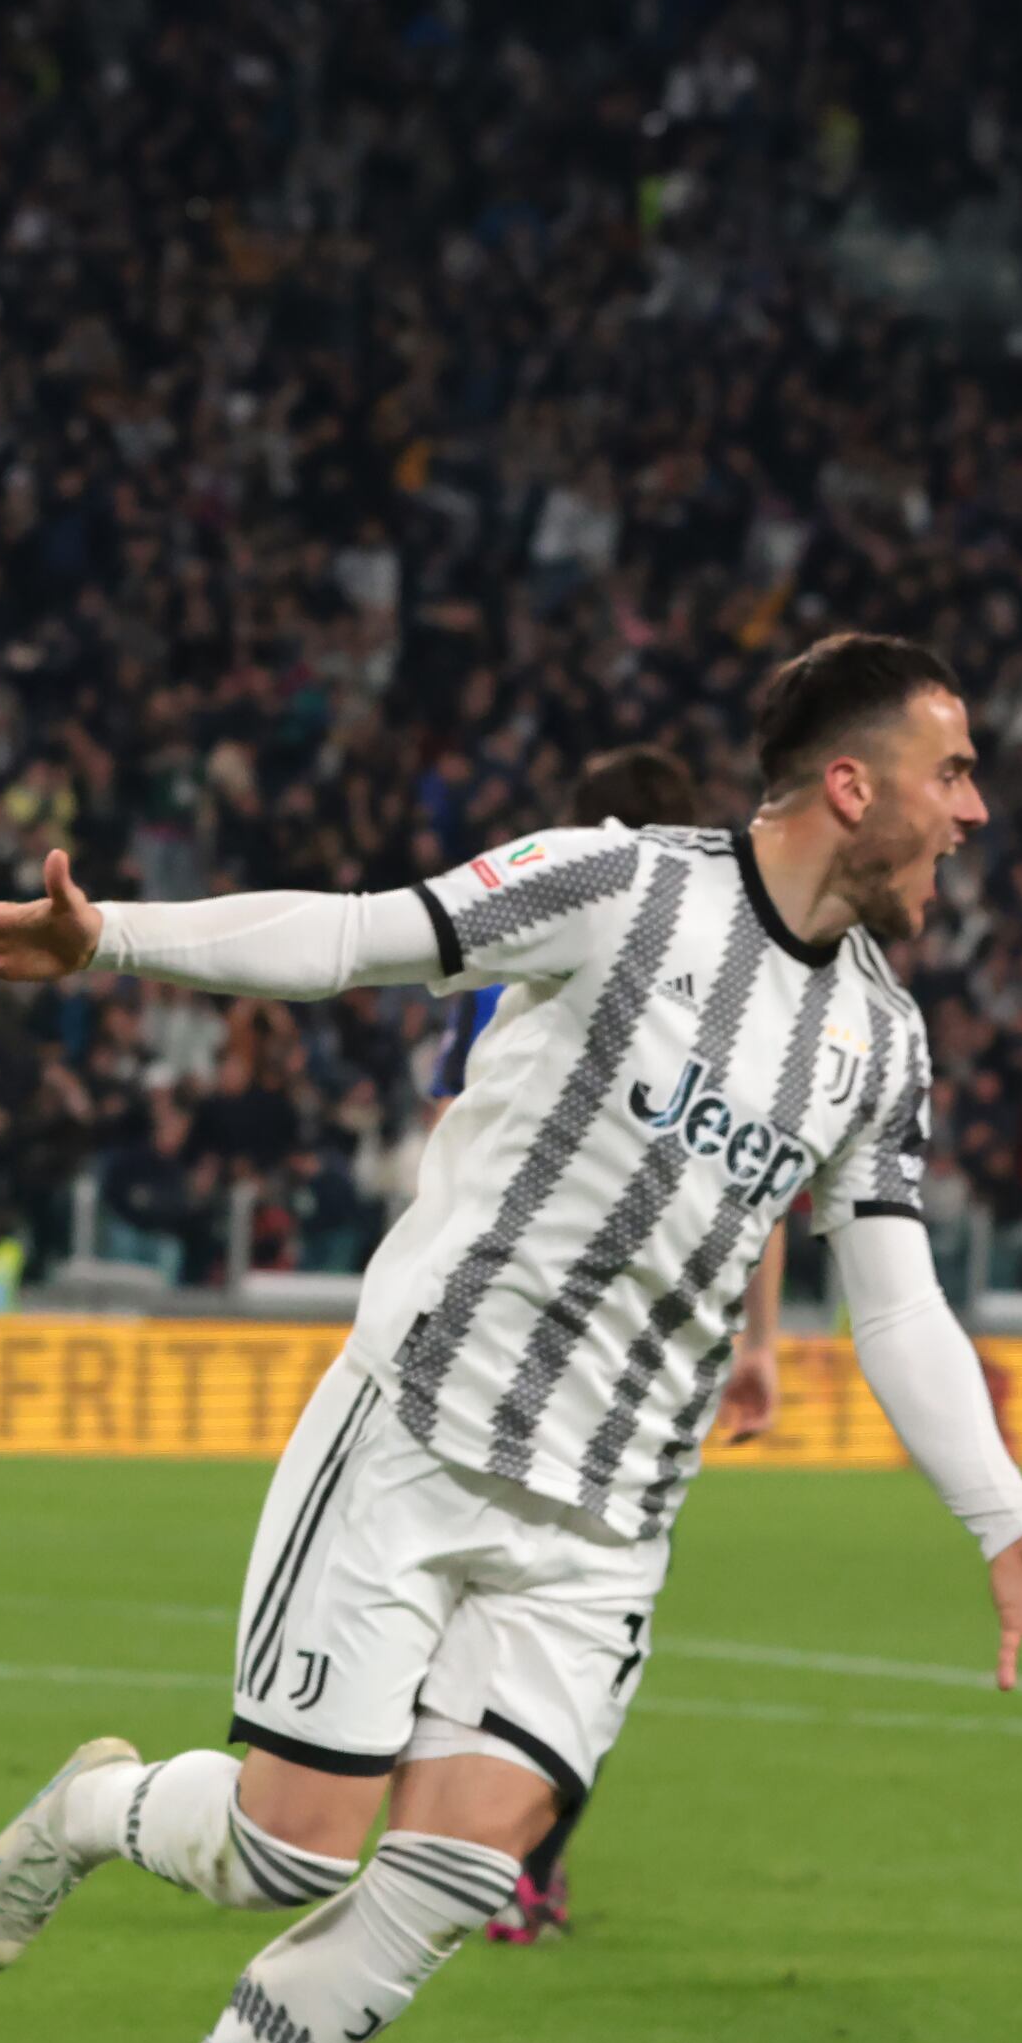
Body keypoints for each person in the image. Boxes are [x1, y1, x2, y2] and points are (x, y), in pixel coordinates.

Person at [0, 633, 1022, 2043]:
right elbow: (357, 938)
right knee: (289, 1851)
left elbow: (895, 1286)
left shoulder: (882, 1039)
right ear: (855, 782)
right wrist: (104, 935)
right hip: (424, 1432)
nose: (976, 810)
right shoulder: (617, 887)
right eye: (956, 771)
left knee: (454, 1876)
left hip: (610, 1521)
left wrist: (1005, 1521)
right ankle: (95, 1804)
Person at [432, 742, 789, 1945]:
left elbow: (456, 1137)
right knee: (585, 1629)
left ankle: (461, 1846)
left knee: (449, 1600)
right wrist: (758, 1339)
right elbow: (750, 1179)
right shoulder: (742, 988)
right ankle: (518, 1862)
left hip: (497, 1339)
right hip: (640, 1368)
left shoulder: (524, 951)